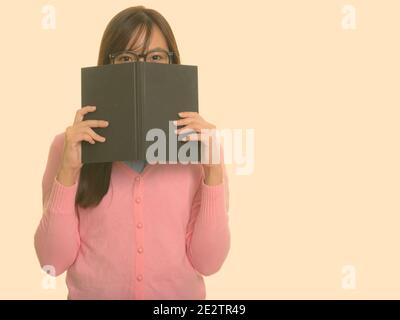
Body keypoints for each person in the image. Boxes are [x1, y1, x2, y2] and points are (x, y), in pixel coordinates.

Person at [34, 5, 230, 300]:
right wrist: (68, 171)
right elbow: (52, 263)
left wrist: (213, 172)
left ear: (173, 63)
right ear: (106, 66)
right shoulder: (66, 147)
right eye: (125, 58)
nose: (141, 68)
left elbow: (209, 262)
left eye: (155, 58)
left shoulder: (202, 150)